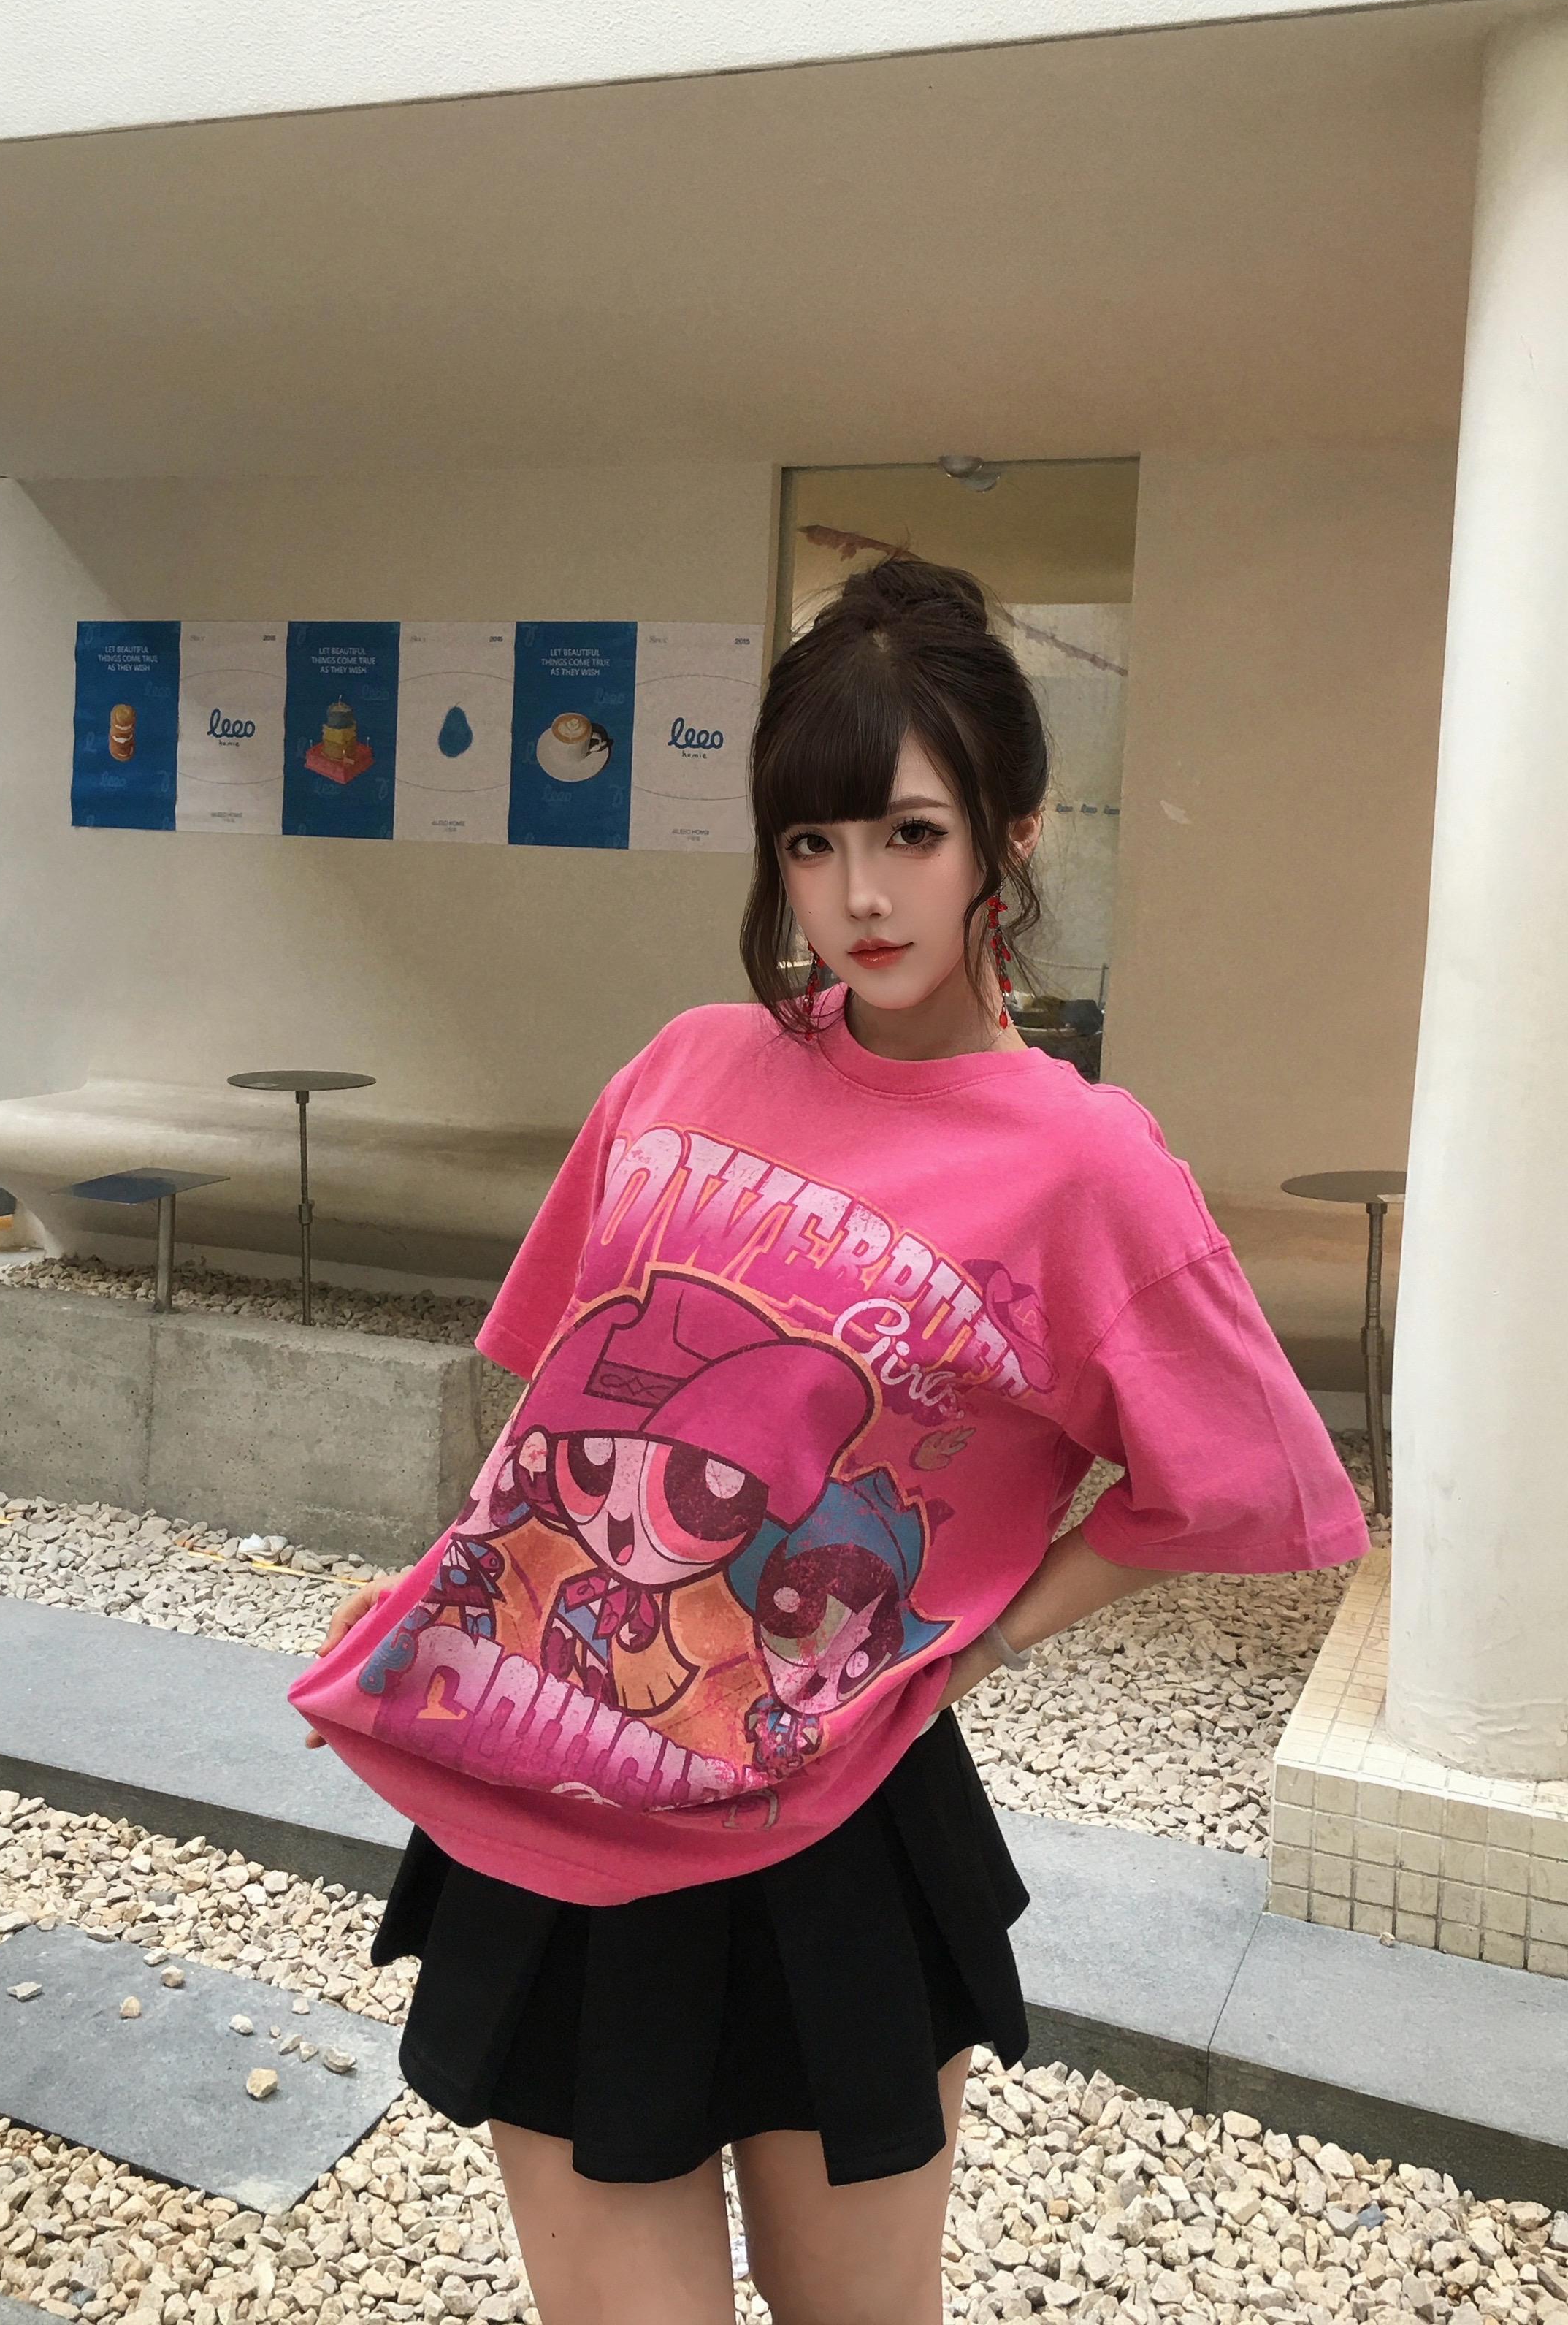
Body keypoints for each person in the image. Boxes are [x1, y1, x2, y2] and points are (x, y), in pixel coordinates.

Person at [290, 554, 1369, 2325]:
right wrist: (483, 1594)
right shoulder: (685, 1067)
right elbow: (557, 1389)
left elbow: (1244, 1480)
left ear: (1012, 836)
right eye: (812, 840)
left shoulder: (1081, 1162)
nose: (859, 894)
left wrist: (970, 1645)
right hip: (553, 1806)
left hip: (830, 1836)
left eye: (911, 835)